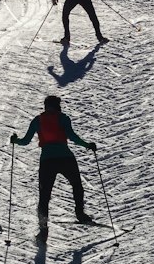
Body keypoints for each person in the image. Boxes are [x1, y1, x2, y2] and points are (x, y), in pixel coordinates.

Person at [10, 94, 98, 242]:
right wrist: (88, 145)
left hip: (47, 161)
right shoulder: (63, 118)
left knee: (44, 196)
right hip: (66, 158)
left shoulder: (37, 120)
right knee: (77, 185)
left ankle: (43, 231)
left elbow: (25, 141)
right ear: (58, 106)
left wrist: (15, 140)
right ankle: (80, 214)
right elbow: (72, 136)